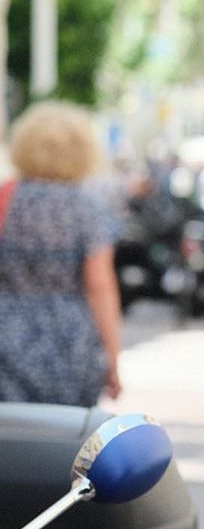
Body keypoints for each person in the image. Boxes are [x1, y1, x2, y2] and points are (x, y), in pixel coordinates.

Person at [0, 101, 122, 406]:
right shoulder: (87, 206)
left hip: (6, 335)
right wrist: (112, 357)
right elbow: (99, 285)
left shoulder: (5, 197)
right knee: (66, 429)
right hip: (70, 341)